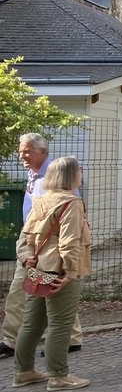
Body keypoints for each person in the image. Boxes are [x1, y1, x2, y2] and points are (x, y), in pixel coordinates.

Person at [11, 156, 92, 391]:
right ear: (71, 176)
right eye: (79, 171)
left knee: (32, 323)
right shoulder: (72, 203)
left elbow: (24, 237)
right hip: (59, 271)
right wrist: (70, 272)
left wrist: (27, 259)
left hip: (37, 269)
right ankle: (58, 376)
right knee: (60, 323)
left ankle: (23, 371)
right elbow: (69, 241)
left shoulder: (41, 200)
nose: (81, 174)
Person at [1, 133, 83, 360]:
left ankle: (13, 343)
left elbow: (66, 220)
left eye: (26, 151)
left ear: (43, 152)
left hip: (42, 246)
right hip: (31, 242)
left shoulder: (54, 177)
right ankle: (72, 338)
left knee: (27, 290)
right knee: (51, 290)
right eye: (20, 151)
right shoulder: (34, 175)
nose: (21, 155)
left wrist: (67, 262)